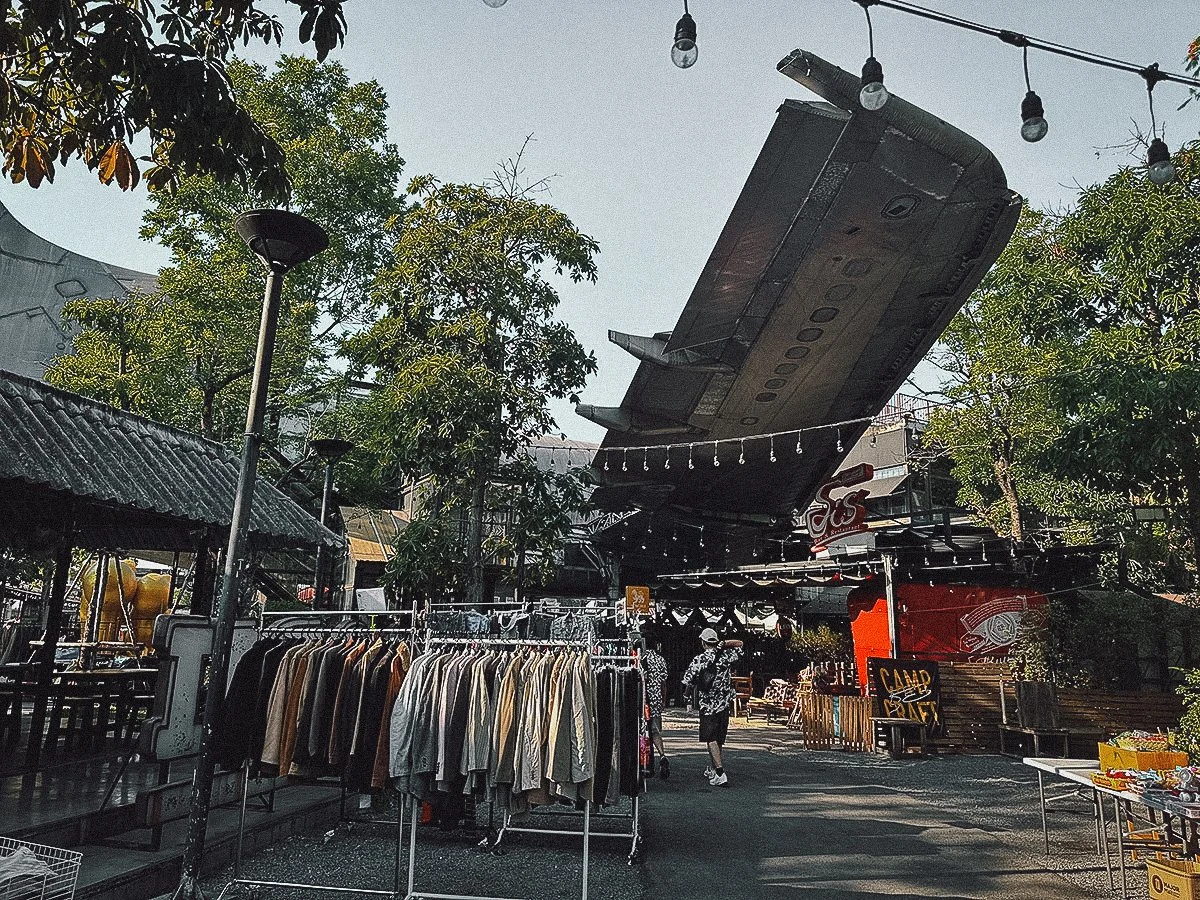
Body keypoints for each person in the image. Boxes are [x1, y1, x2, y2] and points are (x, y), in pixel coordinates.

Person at [682, 627, 743, 787]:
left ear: (703, 642)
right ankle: (713, 768)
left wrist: (686, 698)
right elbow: (740, 644)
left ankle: (721, 773)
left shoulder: (699, 659)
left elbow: (689, 681)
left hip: (708, 704)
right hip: (724, 704)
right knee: (718, 738)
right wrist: (724, 644)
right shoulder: (727, 655)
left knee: (710, 739)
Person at [639, 630, 670, 779]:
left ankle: (646, 764)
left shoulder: (641, 659)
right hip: (657, 699)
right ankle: (662, 756)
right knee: (656, 732)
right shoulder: (661, 660)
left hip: (644, 701)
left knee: (644, 732)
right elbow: (664, 683)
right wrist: (663, 700)